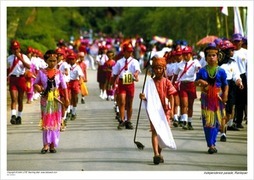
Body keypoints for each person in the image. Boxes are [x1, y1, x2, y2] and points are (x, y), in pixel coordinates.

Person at [139, 57, 177, 164]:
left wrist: (172, 110)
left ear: (164, 69)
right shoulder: (149, 83)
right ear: (153, 70)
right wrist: (142, 97)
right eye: (156, 68)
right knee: (155, 131)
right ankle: (155, 153)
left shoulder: (167, 82)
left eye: (160, 68)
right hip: (154, 111)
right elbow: (147, 97)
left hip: (165, 111)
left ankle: (159, 153)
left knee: (162, 132)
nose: (158, 70)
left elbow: (171, 97)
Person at [33, 50, 69, 154]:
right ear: (46, 61)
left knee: (55, 121)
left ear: (57, 61)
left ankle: (53, 145)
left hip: (56, 99)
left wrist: (66, 99)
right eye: (50, 60)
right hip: (45, 99)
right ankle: (45, 145)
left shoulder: (59, 73)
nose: (53, 63)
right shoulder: (41, 72)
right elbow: (35, 83)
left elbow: (64, 87)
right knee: (46, 121)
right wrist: (39, 88)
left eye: (54, 61)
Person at [195, 44, 228, 154]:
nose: (211, 57)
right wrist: (200, 82)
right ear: (205, 58)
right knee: (208, 122)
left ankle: (213, 143)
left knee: (217, 121)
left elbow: (225, 84)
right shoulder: (202, 71)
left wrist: (225, 95)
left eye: (214, 55)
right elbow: (195, 83)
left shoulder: (221, 71)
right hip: (206, 98)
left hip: (218, 98)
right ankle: (210, 144)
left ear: (218, 57)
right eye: (209, 55)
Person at [111, 43, 141, 130]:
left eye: (131, 51)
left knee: (129, 103)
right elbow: (115, 73)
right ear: (124, 52)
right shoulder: (119, 62)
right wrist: (112, 83)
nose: (130, 53)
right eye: (128, 51)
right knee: (122, 102)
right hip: (121, 83)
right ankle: (122, 120)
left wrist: (136, 74)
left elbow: (137, 70)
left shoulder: (134, 61)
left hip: (130, 83)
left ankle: (129, 120)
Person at [218, 40, 244, 142]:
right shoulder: (218, 64)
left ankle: (224, 125)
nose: (232, 52)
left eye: (233, 50)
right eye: (230, 50)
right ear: (224, 51)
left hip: (231, 87)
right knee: (222, 111)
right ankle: (223, 133)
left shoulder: (233, 63)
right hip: (220, 86)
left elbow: (236, 75)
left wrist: (239, 82)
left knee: (229, 112)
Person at [172, 46, 201, 130]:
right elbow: (175, 75)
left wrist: (198, 69)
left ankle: (189, 122)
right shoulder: (179, 64)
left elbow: (198, 68)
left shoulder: (195, 62)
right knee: (184, 104)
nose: (185, 56)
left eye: (187, 54)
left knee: (190, 105)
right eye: (184, 54)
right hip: (183, 85)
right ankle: (184, 121)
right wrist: (172, 84)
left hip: (191, 84)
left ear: (190, 54)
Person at [7, 40, 31, 125]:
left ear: (19, 49)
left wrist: (20, 58)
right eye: (14, 49)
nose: (15, 50)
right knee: (14, 98)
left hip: (21, 79)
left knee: (20, 99)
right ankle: (13, 116)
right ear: (12, 50)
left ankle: (19, 116)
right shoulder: (9, 58)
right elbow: (7, 69)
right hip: (13, 79)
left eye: (17, 48)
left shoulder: (24, 57)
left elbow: (29, 66)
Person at [231, 33, 247, 129]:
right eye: (235, 41)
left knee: (241, 101)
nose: (237, 43)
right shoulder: (230, 52)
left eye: (238, 41)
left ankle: (239, 121)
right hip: (232, 77)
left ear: (241, 42)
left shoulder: (246, 52)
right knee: (232, 100)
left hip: (242, 75)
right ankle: (230, 120)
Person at [67, 51, 84, 120]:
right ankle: (69, 110)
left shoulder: (77, 67)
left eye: (73, 59)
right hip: (68, 82)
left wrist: (80, 81)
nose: (71, 60)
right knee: (68, 96)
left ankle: (74, 111)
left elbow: (80, 75)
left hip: (75, 82)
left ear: (75, 59)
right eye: (70, 59)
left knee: (74, 97)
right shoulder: (67, 66)